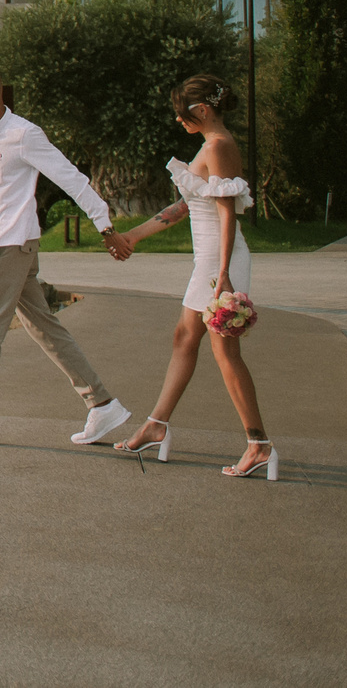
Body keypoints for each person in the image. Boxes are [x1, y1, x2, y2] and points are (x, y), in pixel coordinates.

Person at [0, 65, 136, 447]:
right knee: (44, 326)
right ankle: (102, 404)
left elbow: (71, 177)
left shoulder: (25, 134)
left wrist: (105, 226)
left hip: (12, 243)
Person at [111, 74, 276, 478]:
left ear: (202, 109)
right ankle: (156, 425)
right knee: (184, 338)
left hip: (221, 262)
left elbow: (225, 213)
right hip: (210, 262)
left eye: (182, 112)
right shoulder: (209, 147)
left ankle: (259, 445)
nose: (178, 120)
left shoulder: (219, 147)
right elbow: (185, 207)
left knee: (225, 353)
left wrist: (222, 276)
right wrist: (134, 235)